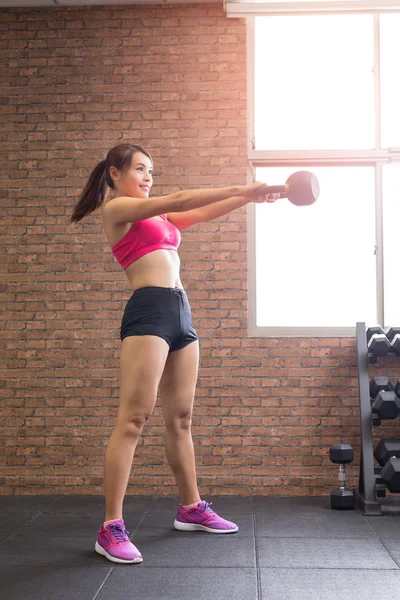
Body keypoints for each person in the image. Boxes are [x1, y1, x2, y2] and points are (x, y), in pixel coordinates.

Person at [70, 142, 277, 565]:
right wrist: (244, 184)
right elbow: (183, 198)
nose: (148, 177)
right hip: (148, 311)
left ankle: (190, 507)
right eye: (141, 169)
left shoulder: (158, 215)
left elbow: (196, 212)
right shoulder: (118, 211)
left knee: (181, 418)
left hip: (180, 311)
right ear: (114, 173)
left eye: (152, 171)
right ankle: (110, 527)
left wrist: (248, 198)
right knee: (132, 420)